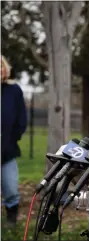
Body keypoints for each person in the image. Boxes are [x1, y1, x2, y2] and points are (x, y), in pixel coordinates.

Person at [1, 55, 27, 227]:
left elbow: (21, 119)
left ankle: (12, 219)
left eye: (1, 66)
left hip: (7, 150)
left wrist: (12, 138)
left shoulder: (14, 90)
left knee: (10, 188)